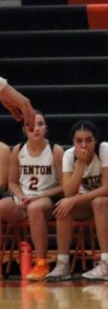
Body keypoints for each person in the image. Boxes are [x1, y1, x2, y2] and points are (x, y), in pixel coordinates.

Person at [50, 120, 108, 281]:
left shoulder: (105, 149)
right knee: (63, 207)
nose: (84, 145)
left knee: (99, 202)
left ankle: (107, 264)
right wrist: (80, 163)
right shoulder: (69, 155)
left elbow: (106, 188)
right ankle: (63, 264)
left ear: (96, 140)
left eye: (88, 140)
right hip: (89, 200)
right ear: (73, 142)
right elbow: (68, 192)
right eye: (79, 141)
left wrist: (74, 200)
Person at [2, 112, 63, 279]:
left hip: (46, 200)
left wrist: (39, 196)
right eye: (31, 125)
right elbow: (12, 182)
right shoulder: (18, 150)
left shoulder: (55, 150)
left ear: (46, 128)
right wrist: (21, 196)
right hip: (22, 199)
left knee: (35, 208)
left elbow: (64, 186)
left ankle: (41, 262)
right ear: (24, 129)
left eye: (40, 124)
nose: (36, 129)